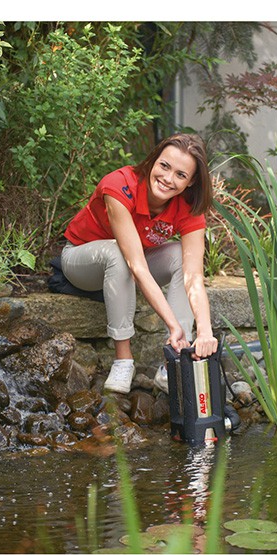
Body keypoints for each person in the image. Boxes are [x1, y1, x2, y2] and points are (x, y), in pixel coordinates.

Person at [61, 132, 217, 394]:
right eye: (164, 166)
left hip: (130, 266)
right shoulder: (119, 185)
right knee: (117, 253)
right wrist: (172, 324)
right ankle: (123, 360)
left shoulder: (188, 207)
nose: (168, 178)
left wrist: (204, 332)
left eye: (180, 175)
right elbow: (137, 265)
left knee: (180, 255)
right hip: (81, 261)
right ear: (154, 160)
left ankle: (175, 361)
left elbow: (193, 277)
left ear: (191, 182)